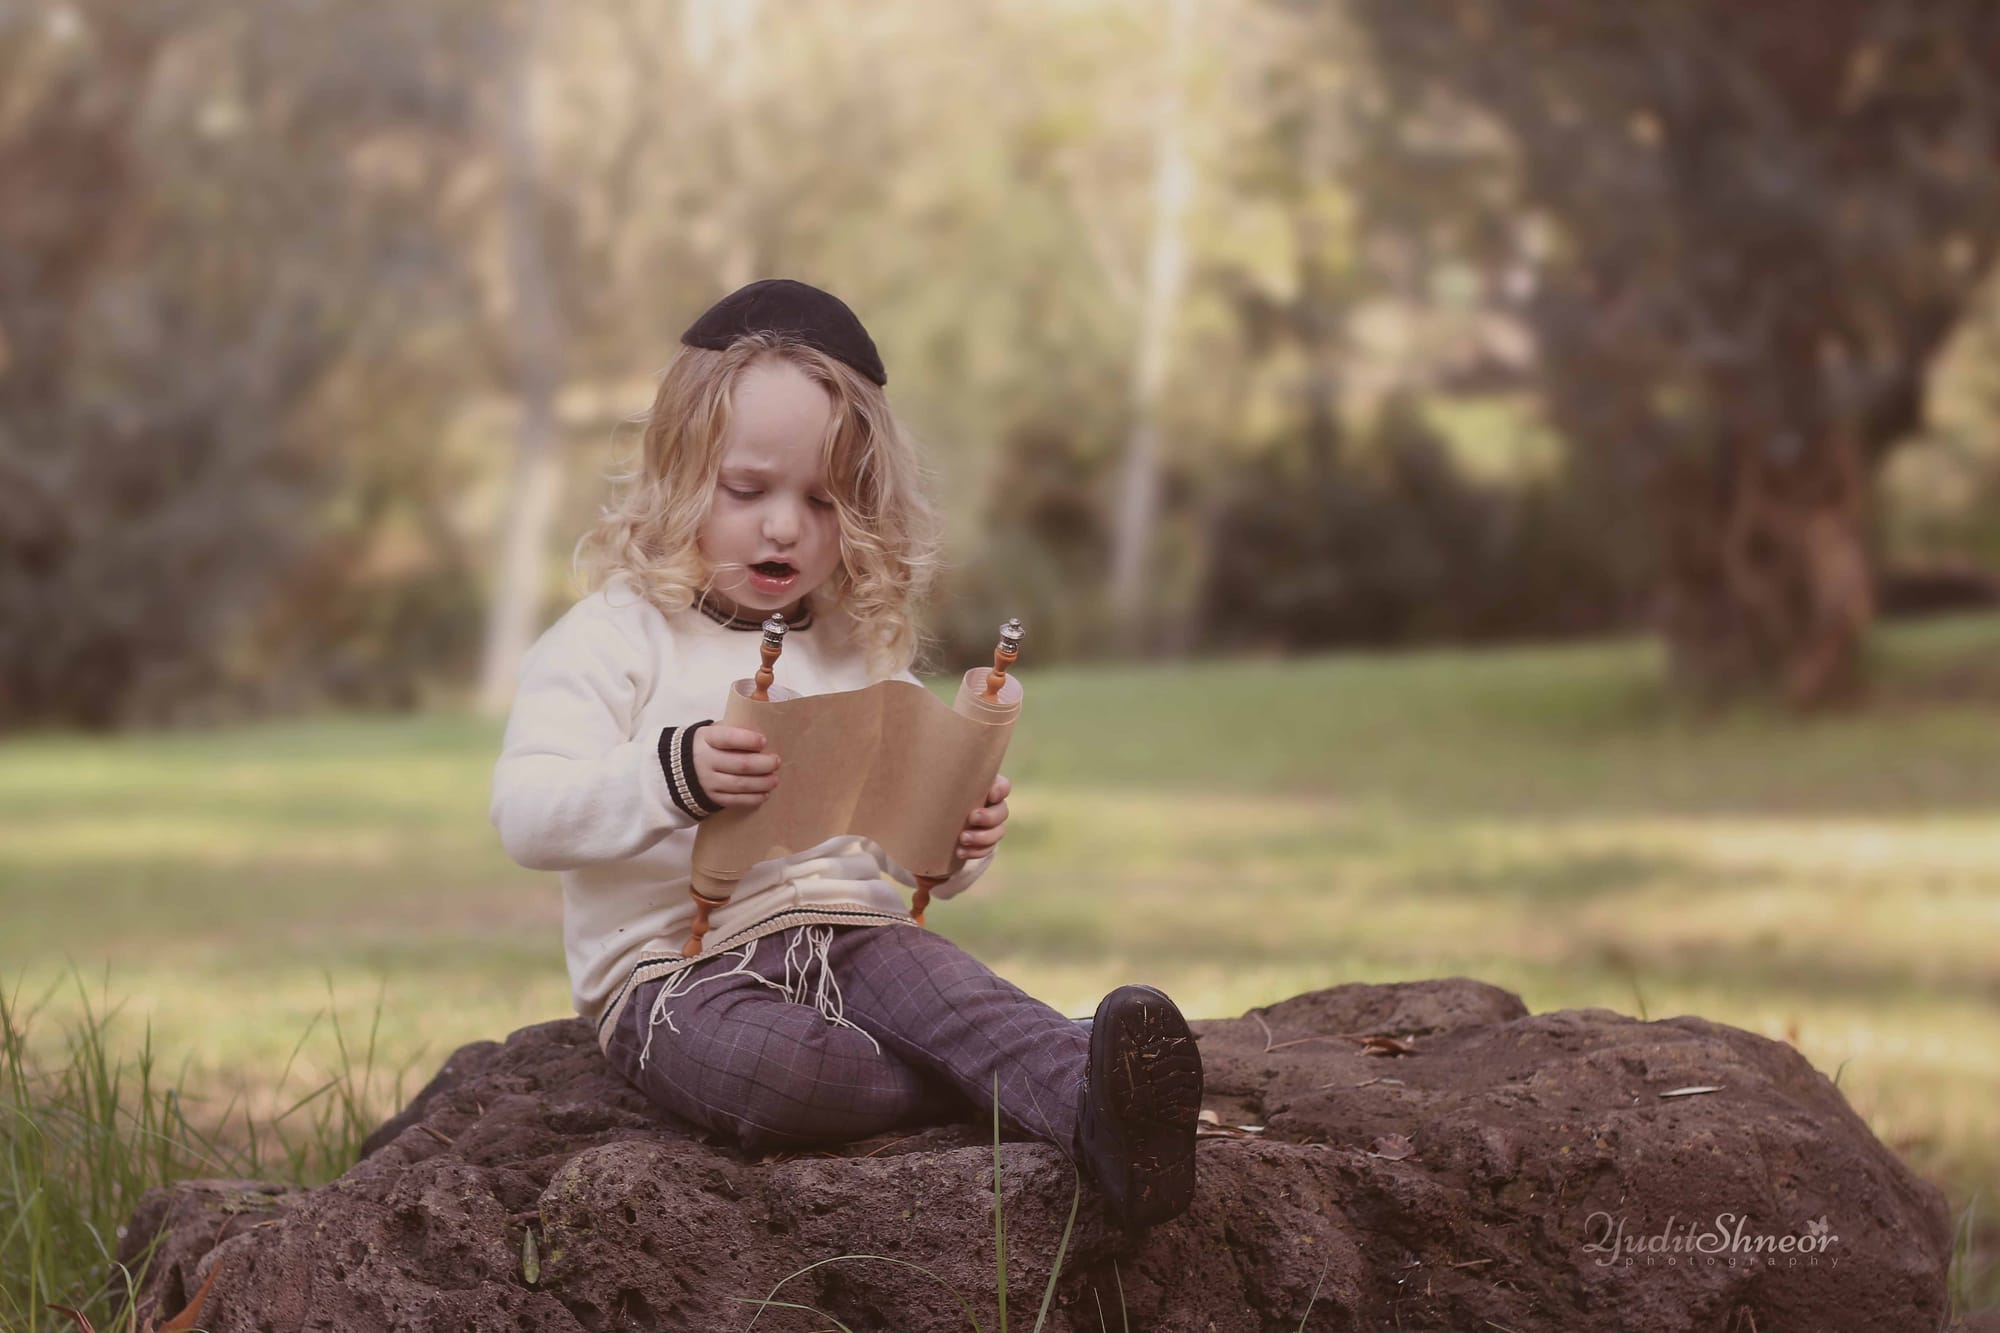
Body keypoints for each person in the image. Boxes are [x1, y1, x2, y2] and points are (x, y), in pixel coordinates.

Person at [489, 279, 1202, 1228]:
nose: (784, 524)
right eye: (748, 490)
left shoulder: (853, 645)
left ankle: (1108, 1120)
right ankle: (1013, 1074)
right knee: (797, 1075)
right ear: (677, 476)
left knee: (953, 992)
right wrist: (672, 773)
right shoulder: (615, 637)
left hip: (853, 933)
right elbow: (527, 813)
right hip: (675, 972)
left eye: (823, 501)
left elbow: (915, 861)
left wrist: (958, 835)